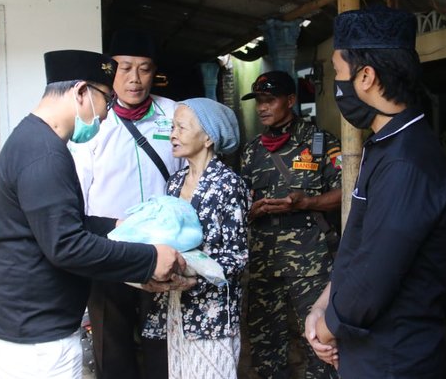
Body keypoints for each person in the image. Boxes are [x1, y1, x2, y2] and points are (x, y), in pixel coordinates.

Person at [0, 50, 187, 379]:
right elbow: (66, 245)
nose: (104, 116)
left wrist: (114, 224)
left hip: (15, 316)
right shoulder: (46, 155)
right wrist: (150, 259)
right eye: (106, 99)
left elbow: (56, 221)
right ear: (80, 92)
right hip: (36, 337)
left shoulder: (32, 138)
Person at [304, 5, 446, 378]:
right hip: (369, 351)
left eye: (339, 73)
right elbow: (358, 249)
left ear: (366, 76)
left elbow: (373, 278)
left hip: (394, 360)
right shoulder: (388, 142)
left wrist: (323, 331)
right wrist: (321, 306)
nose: (338, 86)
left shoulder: (407, 161)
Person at [70, 31, 185, 379]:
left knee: (162, 343)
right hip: (109, 251)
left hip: (163, 250)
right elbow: (79, 190)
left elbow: (188, 175)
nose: (135, 79)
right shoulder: (91, 122)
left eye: (145, 69)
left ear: (155, 73)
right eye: (125, 68)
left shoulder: (174, 114)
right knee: (112, 344)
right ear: (110, 72)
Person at [239, 70, 342, 379]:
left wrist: (305, 203)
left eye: (270, 100)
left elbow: (346, 194)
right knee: (264, 339)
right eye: (259, 101)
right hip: (262, 260)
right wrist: (250, 210)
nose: (262, 107)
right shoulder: (250, 151)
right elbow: (241, 199)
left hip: (309, 262)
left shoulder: (320, 143)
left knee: (316, 337)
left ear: (291, 100)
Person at [143, 98, 250, 378]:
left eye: (182, 127)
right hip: (176, 305)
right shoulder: (175, 182)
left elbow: (237, 256)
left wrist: (191, 270)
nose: (173, 135)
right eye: (173, 127)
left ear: (208, 138)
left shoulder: (228, 184)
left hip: (210, 311)